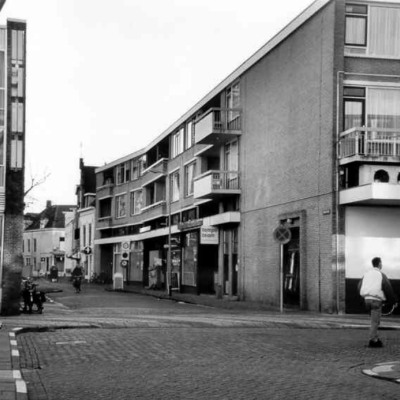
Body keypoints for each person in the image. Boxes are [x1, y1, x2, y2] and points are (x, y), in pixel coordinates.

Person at [359, 257, 397, 348]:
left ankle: (374, 338)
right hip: (376, 301)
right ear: (379, 264)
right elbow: (387, 288)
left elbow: (359, 286)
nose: (382, 264)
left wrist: (365, 296)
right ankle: (374, 340)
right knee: (375, 322)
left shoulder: (366, 274)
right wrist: (393, 301)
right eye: (381, 263)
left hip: (366, 300)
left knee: (373, 320)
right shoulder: (381, 275)